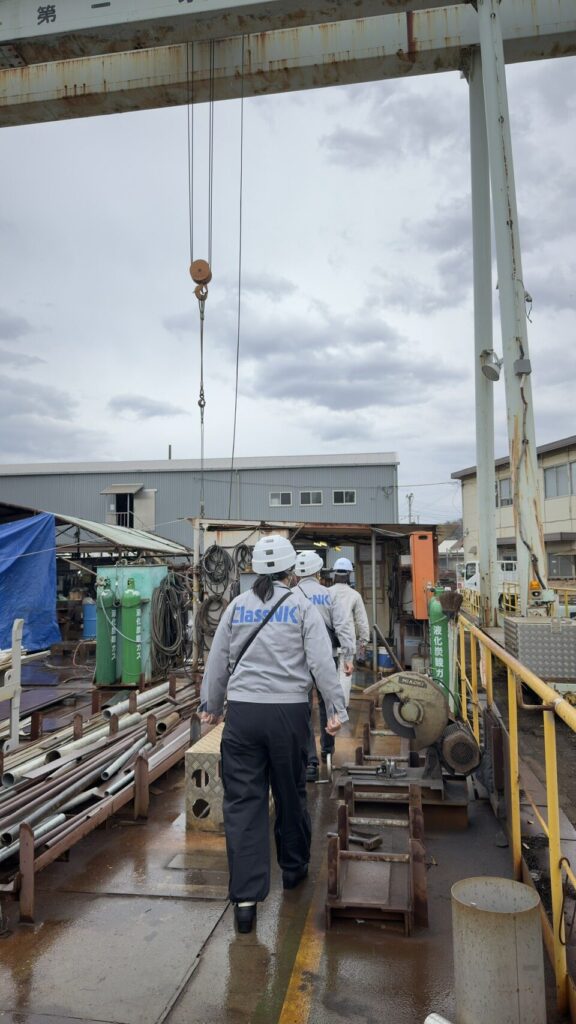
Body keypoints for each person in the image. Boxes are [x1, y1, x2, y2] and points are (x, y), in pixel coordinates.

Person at [200, 534, 348, 935]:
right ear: (291, 572)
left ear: (256, 571)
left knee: (243, 803)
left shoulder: (236, 606)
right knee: (290, 792)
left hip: (243, 715)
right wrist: (335, 709)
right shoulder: (301, 607)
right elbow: (322, 663)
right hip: (288, 714)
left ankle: (245, 903)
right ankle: (294, 869)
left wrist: (211, 705)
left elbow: (218, 660)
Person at [292, 549, 355, 781]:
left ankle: (310, 761)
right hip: (327, 656)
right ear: (318, 572)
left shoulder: (290, 596)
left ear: (297, 574)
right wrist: (348, 657)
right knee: (328, 701)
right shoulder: (329, 595)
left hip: (299, 660)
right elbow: (343, 627)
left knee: (303, 707)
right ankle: (327, 749)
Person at [330, 556, 371, 693]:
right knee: (345, 675)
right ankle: (343, 704)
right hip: (348, 641)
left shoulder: (326, 593)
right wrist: (363, 641)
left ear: (335, 574)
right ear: (349, 575)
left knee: (330, 676)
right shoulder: (354, 595)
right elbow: (361, 620)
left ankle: (331, 703)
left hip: (329, 642)